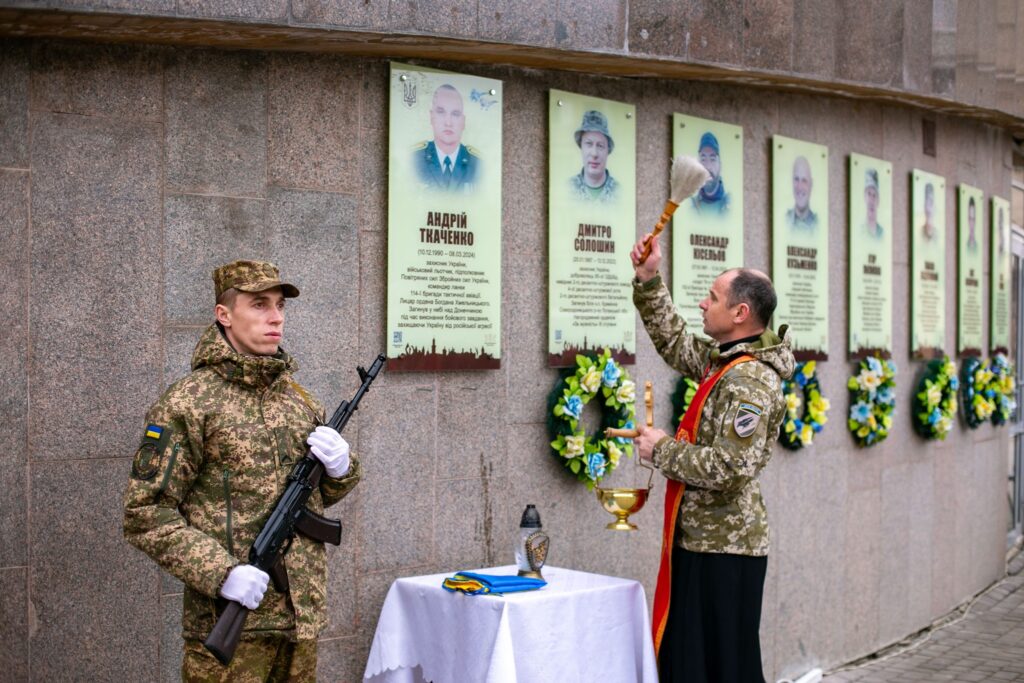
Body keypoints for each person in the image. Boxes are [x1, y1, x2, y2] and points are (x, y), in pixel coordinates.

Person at [123, 260, 361, 681]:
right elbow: (145, 514)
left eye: (280, 306)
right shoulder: (188, 403)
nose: (276, 317)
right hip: (234, 624)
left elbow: (320, 495)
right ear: (224, 315)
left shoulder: (299, 400)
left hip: (300, 621)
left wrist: (342, 467)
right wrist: (222, 573)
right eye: (259, 305)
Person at [629, 234, 794, 683]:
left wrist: (661, 449)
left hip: (724, 551)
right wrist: (648, 279)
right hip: (704, 542)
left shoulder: (749, 382)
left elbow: (730, 467)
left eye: (713, 297)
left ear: (741, 314)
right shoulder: (726, 361)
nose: (702, 304)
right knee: (690, 664)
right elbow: (675, 341)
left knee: (723, 670)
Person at [412, 84, 480, 192]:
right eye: (441, 112)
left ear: (463, 121)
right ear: (431, 117)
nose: (448, 122)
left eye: (455, 114)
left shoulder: (478, 164)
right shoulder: (414, 159)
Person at [569, 109, 618, 202]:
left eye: (600, 146)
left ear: (608, 150)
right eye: (588, 144)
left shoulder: (620, 193)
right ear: (581, 146)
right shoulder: (567, 188)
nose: (594, 154)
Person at [691, 131, 730, 214]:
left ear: (720, 166)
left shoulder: (729, 205)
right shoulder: (692, 206)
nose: (708, 166)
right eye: (703, 159)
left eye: (712, 159)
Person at [785, 155, 817, 230]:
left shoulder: (818, 225)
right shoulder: (784, 220)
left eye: (804, 180)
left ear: (811, 184)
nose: (799, 187)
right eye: (796, 179)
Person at [863, 168, 883, 239]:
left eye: (874, 195)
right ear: (864, 198)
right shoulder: (861, 231)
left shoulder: (882, 233)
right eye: (869, 194)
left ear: (878, 201)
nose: (872, 200)